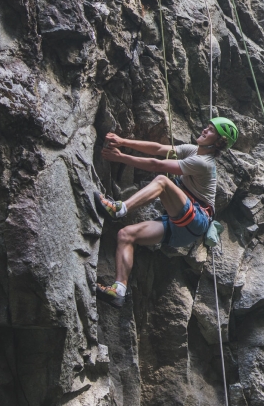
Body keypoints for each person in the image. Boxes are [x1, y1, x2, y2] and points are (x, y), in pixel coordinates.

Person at [93, 117, 239, 307]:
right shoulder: (193, 151)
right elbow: (158, 149)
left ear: (218, 142)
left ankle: (119, 209)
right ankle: (119, 290)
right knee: (126, 235)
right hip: (181, 227)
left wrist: (121, 157)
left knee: (162, 181)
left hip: (197, 218)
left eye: (210, 131)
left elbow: (157, 165)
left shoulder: (204, 163)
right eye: (207, 127)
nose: (204, 130)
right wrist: (123, 141)